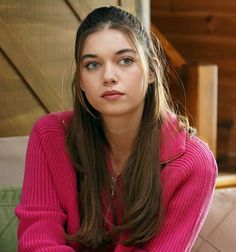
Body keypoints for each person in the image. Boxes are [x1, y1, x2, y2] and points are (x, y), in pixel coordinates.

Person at [15, 5, 217, 252]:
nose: (108, 76)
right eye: (92, 65)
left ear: (152, 70)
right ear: (80, 79)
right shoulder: (49, 136)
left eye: (125, 60)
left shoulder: (194, 163)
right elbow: (38, 243)